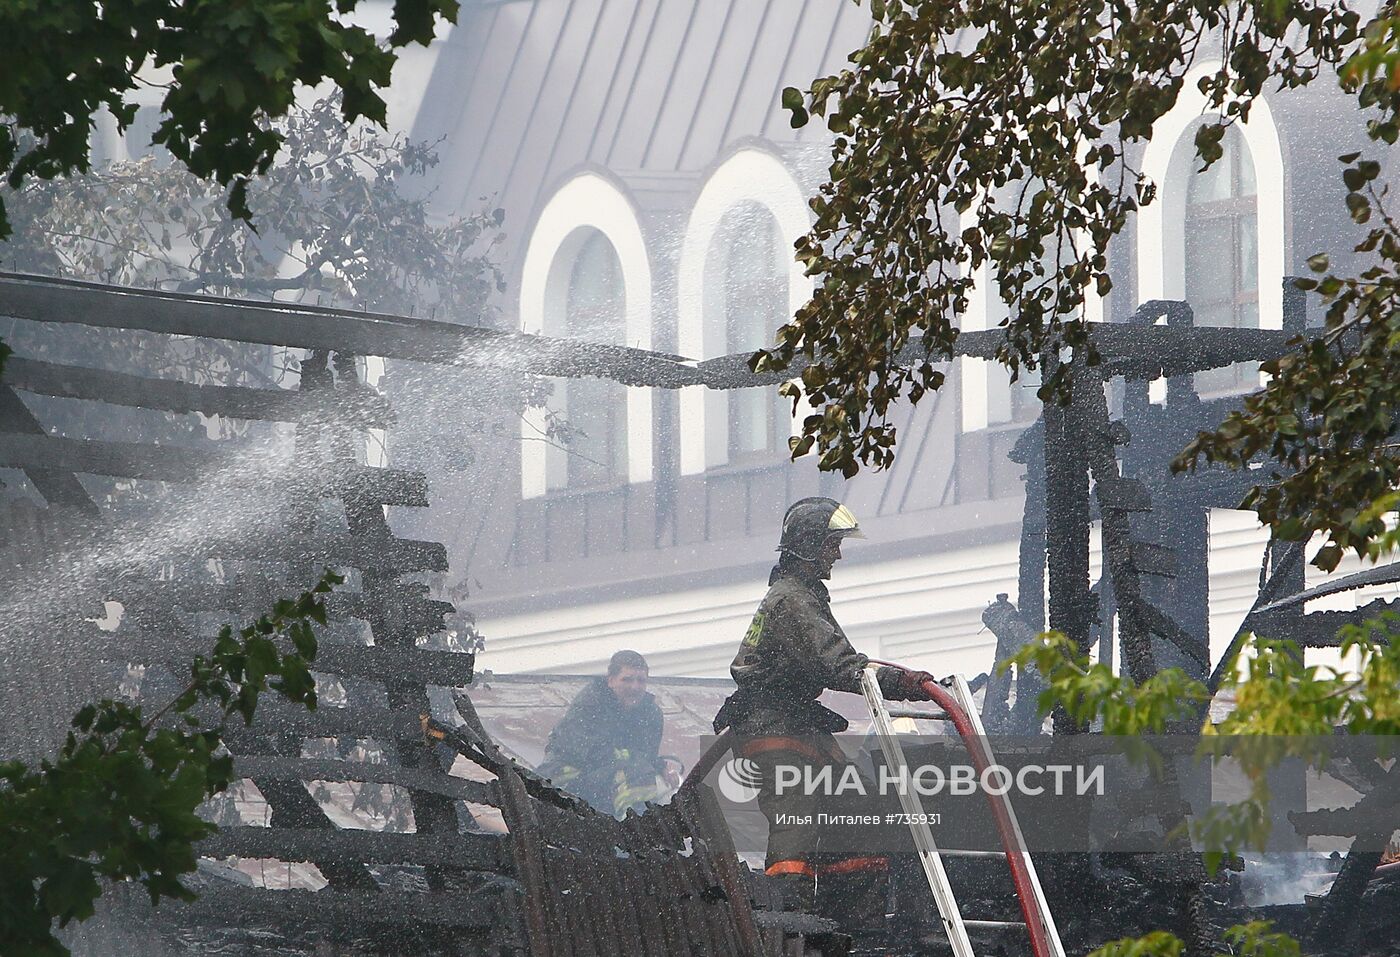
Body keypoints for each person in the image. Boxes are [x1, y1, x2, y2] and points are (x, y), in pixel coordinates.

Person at [713, 497, 934, 932]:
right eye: (832, 544)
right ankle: (789, 919)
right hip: (772, 726)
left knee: (857, 805)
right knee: (797, 815)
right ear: (809, 545)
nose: (838, 553)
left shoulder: (799, 596)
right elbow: (837, 664)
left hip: (795, 721)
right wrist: (901, 685)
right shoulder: (793, 601)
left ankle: (851, 918)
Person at [536, 650, 677, 817]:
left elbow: (644, 755)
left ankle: (645, 829)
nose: (635, 687)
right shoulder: (590, 704)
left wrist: (660, 767)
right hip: (567, 776)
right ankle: (633, 830)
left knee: (665, 786)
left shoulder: (651, 714)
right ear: (610, 680)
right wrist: (636, 763)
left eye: (641, 681)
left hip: (608, 779)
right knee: (635, 776)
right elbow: (593, 753)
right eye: (627, 679)